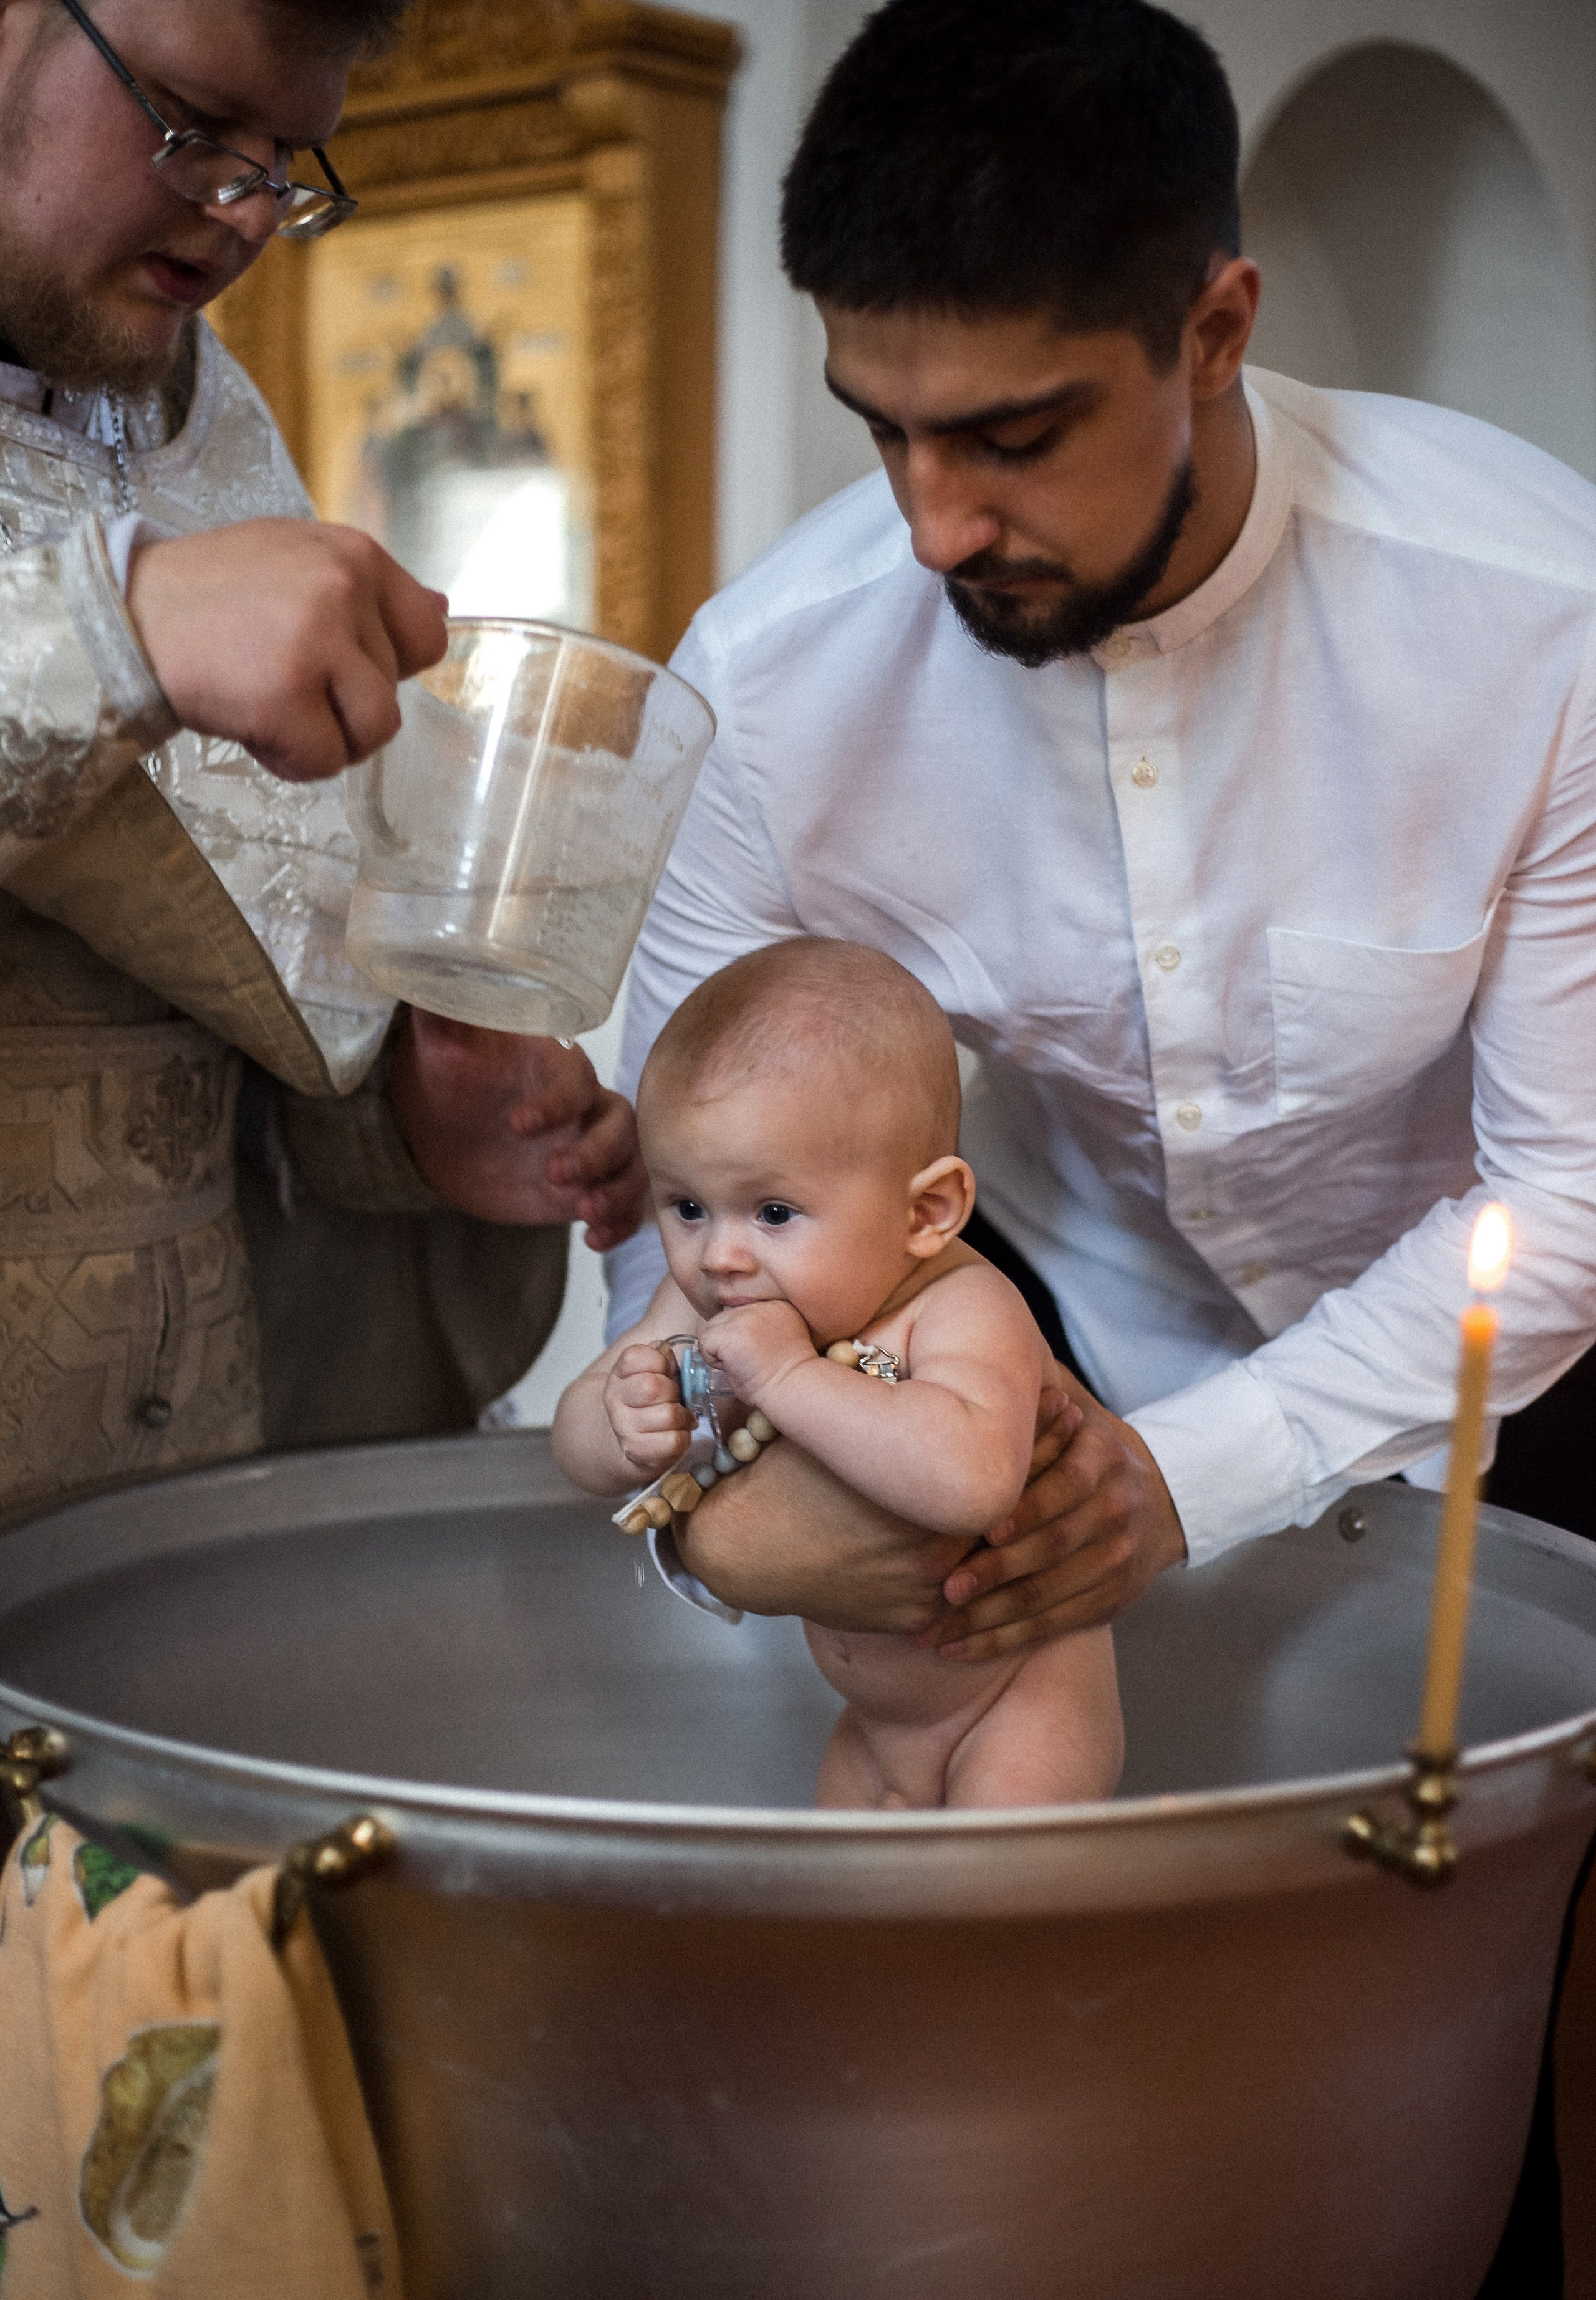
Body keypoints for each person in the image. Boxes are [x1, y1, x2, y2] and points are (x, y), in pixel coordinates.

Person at [605, 0, 1596, 1660]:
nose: (933, 529)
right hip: (1020, 1373)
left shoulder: (1543, 621)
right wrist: (720, 1526)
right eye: (883, 428)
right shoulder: (771, 691)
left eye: (1012, 438)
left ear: (1212, 332)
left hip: (1523, 1378)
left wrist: (1188, 1477)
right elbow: (687, 1221)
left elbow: (1570, 1186)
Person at [0, 0, 645, 1519]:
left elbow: (202, 1010)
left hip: (169, 1526)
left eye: (286, 158)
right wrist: (115, 630)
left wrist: (409, 1124)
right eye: (190, 119)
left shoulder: (191, 406)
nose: (241, 211)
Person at [554, 939, 1123, 1809]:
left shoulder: (963, 1308)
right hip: (874, 1725)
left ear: (927, 1212)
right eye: (687, 1207)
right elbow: (577, 1440)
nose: (721, 1255)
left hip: (1012, 1709)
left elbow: (970, 1481)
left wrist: (788, 1378)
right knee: (849, 1933)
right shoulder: (710, 1299)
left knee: (992, 1923)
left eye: (774, 1211)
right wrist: (618, 1423)